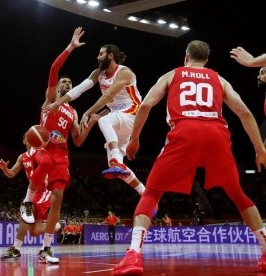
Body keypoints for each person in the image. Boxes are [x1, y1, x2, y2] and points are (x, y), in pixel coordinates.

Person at [113, 40, 266, 275]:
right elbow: (244, 112)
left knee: (152, 192)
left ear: (186, 57)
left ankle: (134, 255)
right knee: (237, 193)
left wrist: (134, 140)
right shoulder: (219, 79)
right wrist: (259, 149)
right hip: (216, 132)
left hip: (185, 129)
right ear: (206, 60)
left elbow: (145, 106)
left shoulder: (172, 75)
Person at [38, 27, 107, 264]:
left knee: (58, 198)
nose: (67, 83)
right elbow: (54, 69)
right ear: (58, 87)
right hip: (43, 151)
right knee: (40, 199)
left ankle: (46, 248)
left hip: (61, 155)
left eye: (70, 82)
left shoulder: (73, 111)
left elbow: (77, 140)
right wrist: (71, 47)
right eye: (64, 82)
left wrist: (92, 122)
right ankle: (29, 210)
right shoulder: (50, 100)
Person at [43, 43, 147, 198]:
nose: (97, 57)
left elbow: (108, 97)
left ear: (110, 55)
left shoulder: (124, 72)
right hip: (120, 119)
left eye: (101, 54)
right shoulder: (99, 73)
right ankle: (145, 193)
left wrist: (87, 112)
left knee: (104, 121)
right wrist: (58, 102)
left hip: (132, 112)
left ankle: (117, 161)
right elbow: (80, 88)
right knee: (117, 164)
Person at [0, 133, 61, 260]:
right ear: (24, 141)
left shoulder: (41, 153)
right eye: (29, 137)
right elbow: (11, 174)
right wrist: (5, 169)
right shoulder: (22, 157)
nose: (32, 139)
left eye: (35, 136)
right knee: (34, 231)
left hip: (44, 191)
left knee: (26, 211)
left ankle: (16, 249)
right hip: (32, 190)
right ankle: (59, 226)